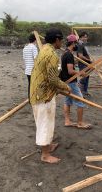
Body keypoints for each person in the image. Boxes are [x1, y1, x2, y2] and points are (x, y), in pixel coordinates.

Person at [30, 28, 70, 164]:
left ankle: (48, 145)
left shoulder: (44, 49)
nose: (62, 43)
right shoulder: (51, 54)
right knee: (44, 123)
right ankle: (45, 155)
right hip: (43, 95)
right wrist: (65, 87)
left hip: (39, 92)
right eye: (61, 40)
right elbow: (53, 79)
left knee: (45, 121)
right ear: (57, 40)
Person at [60, 34, 91, 129]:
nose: (76, 45)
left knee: (68, 101)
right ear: (73, 43)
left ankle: (67, 121)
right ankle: (80, 123)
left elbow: (67, 66)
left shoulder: (65, 53)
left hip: (65, 81)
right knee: (81, 102)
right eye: (76, 43)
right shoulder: (69, 55)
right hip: (71, 82)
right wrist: (81, 73)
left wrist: (75, 63)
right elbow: (70, 70)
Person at [23, 34, 38, 99]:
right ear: (35, 40)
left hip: (27, 70)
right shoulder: (34, 47)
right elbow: (36, 59)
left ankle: (30, 98)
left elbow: (24, 59)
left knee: (30, 84)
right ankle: (33, 99)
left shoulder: (25, 48)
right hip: (33, 70)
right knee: (34, 85)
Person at [77, 31, 92, 97]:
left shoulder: (82, 44)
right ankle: (80, 93)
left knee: (87, 76)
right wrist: (88, 60)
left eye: (86, 37)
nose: (86, 39)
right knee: (84, 77)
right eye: (85, 37)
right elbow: (80, 56)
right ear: (81, 37)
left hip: (86, 63)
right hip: (83, 63)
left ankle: (85, 92)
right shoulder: (80, 45)